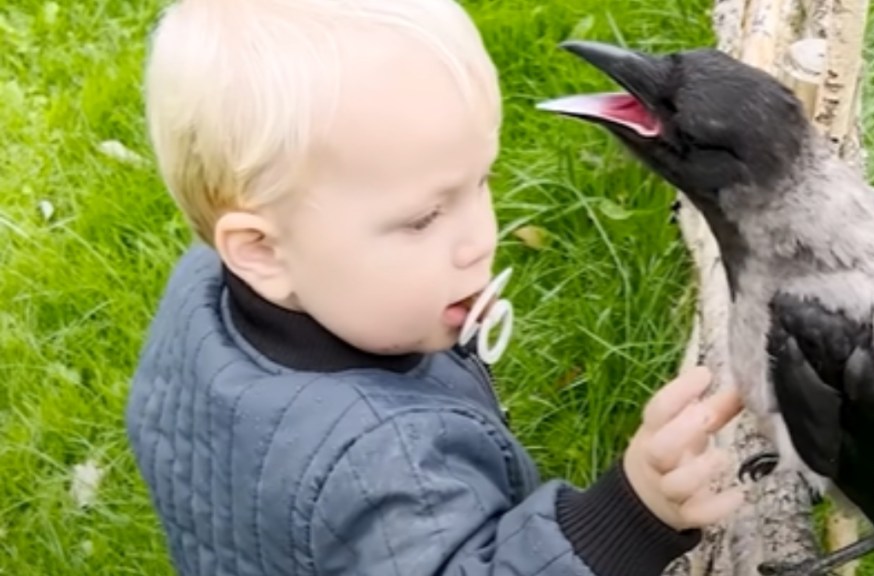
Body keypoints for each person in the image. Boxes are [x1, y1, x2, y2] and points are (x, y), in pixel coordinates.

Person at [124, 0, 747, 574]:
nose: (479, 237)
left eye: (479, 183)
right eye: (423, 218)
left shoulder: (206, 291)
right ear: (262, 251)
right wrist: (629, 515)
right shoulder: (392, 467)